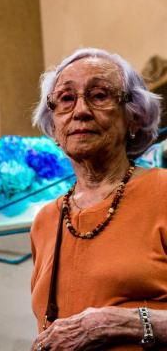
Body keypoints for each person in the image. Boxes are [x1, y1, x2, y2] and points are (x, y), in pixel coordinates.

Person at [30, 48, 167, 350]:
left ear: (134, 118)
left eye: (100, 95)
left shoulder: (162, 192)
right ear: (54, 126)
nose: (80, 110)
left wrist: (118, 324)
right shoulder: (44, 222)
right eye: (66, 99)